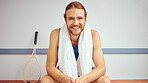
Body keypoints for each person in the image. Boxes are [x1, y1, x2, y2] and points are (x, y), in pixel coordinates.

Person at [41, 1, 111, 83]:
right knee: (46, 80)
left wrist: (83, 79)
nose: (75, 23)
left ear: (85, 18)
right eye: (71, 18)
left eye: (79, 18)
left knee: (105, 80)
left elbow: (101, 68)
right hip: (64, 75)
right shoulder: (56, 34)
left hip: (86, 75)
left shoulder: (93, 35)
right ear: (65, 19)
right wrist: (67, 79)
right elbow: (50, 67)